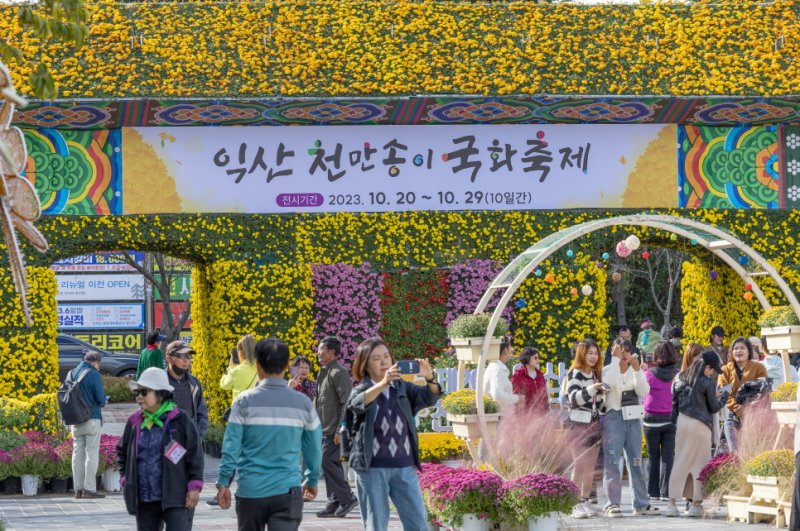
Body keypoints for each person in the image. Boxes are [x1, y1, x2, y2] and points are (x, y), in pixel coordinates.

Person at [215, 338, 322, 531]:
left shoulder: (243, 402)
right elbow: (314, 446)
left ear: (257, 365)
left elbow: (231, 446)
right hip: (287, 491)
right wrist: (312, 479)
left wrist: (223, 482)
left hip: (250, 491)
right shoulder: (303, 403)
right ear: (287, 366)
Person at [346, 337, 441, 531]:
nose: (384, 362)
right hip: (372, 469)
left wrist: (429, 377)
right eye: (376, 358)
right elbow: (356, 405)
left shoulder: (403, 388)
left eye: (386, 356)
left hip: (404, 466)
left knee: (418, 524)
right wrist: (383, 383)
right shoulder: (361, 390)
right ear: (365, 364)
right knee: (377, 526)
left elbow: (430, 397)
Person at [118, 367, 204, 530]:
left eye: (144, 392)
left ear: (161, 393)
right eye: (137, 393)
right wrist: (125, 478)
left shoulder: (180, 419)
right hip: (144, 499)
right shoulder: (134, 422)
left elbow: (195, 455)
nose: (139, 397)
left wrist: (194, 486)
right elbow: (122, 451)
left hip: (175, 497)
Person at [664, 352, 728, 517]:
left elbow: (676, 402)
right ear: (707, 367)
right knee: (699, 465)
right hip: (700, 426)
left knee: (680, 462)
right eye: (713, 370)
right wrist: (724, 398)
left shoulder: (681, 378)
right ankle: (695, 505)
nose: (713, 373)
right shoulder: (707, 382)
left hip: (682, 422)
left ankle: (671, 504)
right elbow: (714, 408)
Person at [602, 337, 659, 517]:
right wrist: (614, 361)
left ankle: (641, 503)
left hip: (633, 419)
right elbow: (608, 385)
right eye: (620, 350)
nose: (624, 354)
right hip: (614, 418)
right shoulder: (607, 370)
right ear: (613, 351)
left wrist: (636, 370)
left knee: (635, 461)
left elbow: (643, 391)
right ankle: (612, 504)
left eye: (627, 350)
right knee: (612, 461)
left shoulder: (636, 371)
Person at [314, 336, 357, 518]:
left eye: (321, 349)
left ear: (331, 352)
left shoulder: (338, 372)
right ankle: (335, 501)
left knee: (326, 462)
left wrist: (342, 428)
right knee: (331, 464)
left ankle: (347, 498)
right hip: (324, 428)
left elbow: (347, 402)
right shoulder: (323, 372)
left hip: (335, 430)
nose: (318, 353)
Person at [565, 339, 605, 520]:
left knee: (591, 467)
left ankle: (585, 499)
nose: (593, 357)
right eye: (590, 353)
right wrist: (592, 389)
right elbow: (574, 399)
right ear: (582, 354)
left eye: (595, 353)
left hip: (594, 424)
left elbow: (599, 406)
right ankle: (573, 503)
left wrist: (603, 394)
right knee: (579, 465)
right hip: (577, 425)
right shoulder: (575, 374)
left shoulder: (595, 375)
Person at [717, 337, 768, 452]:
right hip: (732, 416)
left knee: (752, 452)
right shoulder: (725, 370)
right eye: (736, 348)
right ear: (731, 352)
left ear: (749, 351)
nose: (739, 351)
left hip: (753, 415)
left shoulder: (758, 367)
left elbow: (763, 389)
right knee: (735, 453)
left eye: (742, 348)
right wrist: (738, 408)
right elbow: (723, 392)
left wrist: (747, 409)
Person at [643, 340, 679, 501]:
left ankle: (653, 492)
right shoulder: (677, 375)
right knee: (668, 457)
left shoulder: (649, 374)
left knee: (653, 457)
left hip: (651, 420)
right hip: (670, 419)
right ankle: (666, 492)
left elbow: (641, 392)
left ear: (656, 355)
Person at [70, 351, 108, 499]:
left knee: (77, 453)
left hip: (74, 419)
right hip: (91, 418)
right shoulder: (93, 373)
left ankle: (77, 489)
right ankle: (89, 489)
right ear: (96, 362)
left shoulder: (72, 372)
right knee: (91, 453)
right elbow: (100, 399)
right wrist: (104, 399)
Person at [165, 341, 209, 438]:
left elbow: (202, 414)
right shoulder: (159, 383)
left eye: (188, 356)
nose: (186, 360)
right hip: (167, 443)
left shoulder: (195, 383)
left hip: (191, 441)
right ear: (169, 358)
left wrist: (197, 434)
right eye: (181, 356)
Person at [484, 336, 520, 409]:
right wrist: (517, 399)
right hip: (500, 416)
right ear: (506, 350)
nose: (512, 349)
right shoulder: (498, 369)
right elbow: (498, 395)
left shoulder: (495, 366)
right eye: (510, 347)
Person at [220, 334, 258, 401]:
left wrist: (229, 368)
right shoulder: (261, 370)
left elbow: (224, 385)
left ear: (240, 353)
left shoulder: (235, 371)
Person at [511, 346, 549, 413]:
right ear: (527, 359)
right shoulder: (518, 376)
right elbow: (514, 396)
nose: (538, 360)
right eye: (535, 358)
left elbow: (544, 395)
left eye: (538, 358)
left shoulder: (540, 375)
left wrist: (547, 411)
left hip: (541, 415)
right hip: (525, 415)